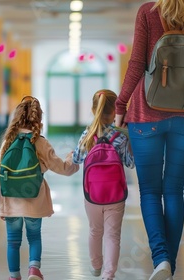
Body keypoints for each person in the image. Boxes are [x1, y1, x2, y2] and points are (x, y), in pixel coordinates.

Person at [115, 1, 184, 280]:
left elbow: (137, 63)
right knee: (175, 190)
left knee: (150, 192)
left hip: (146, 114)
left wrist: (120, 105)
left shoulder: (148, 12)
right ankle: (169, 268)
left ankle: (161, 259)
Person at [0, 96, 79, 280]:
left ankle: (14, 276)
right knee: (34, 236)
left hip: (10, 199)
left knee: (13, 242)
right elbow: (61, 168)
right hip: (34, 198)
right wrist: (73, 160)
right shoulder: (40, 141)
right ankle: (34, 270)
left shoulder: (8, 140)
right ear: (39, 118)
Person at [73, 89, 135, 280]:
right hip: (116, 194)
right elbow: (131, 163)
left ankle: (96, 266)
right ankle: (109, 274)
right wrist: (129, 134)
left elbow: (76, 158)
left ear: (94, 109)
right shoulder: (121, 136)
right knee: (112, 236)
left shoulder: (88, 133)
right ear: (117, 111)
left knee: (95, 231)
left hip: (92, 195)